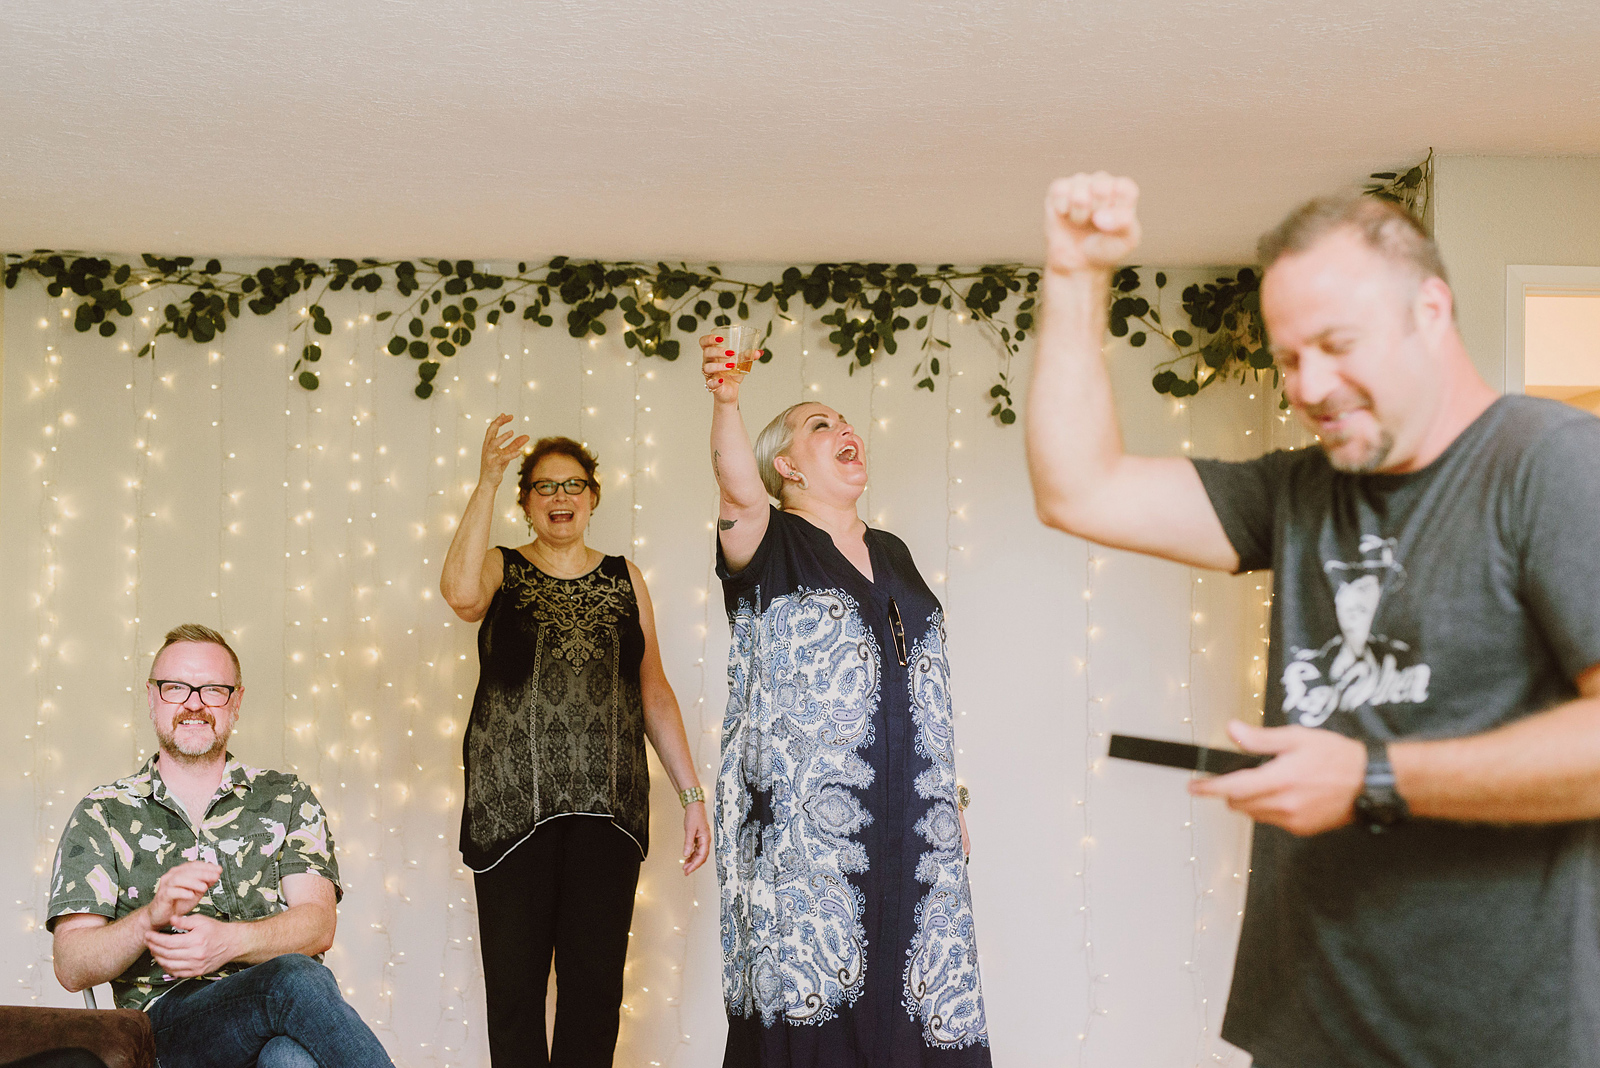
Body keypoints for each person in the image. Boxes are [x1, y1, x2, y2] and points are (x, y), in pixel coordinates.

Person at [1027, 172, 1600, 1067]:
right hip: (1308, 1031)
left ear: (1432, 310)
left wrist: (1373, 779)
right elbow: (1080, 489)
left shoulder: (1552, 464)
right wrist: (1072, 276)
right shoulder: (1301, 491)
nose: (1313, 384)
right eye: (1291, 358)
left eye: (1338, 344)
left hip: (1498, 1040)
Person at [701, 337, 989, 1067]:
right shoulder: (769, 544)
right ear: (787, 466)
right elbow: (736, 486)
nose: (842, 430)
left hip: (913, 821)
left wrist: (946, 795)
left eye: (843, 421)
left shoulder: (894, 551)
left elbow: (919, 682)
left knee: (916, 990)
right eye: (818, 426)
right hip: (810, 833)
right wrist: (727, 400)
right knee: (811, 987)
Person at [439, 421, 711, 1068]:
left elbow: (655, 691)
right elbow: (460, 594)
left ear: (593, 496)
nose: (560, 497)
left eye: (573, 485)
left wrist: (692, 796)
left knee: (593, 997)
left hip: (606, 813)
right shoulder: (502, 567)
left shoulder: (626, 579)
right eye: (543, 487)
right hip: (511, 810)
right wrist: (487, 477)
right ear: (526, 501)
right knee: (515, 998)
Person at [47, 623, 393, 1068]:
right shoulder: (103, 812)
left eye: (212, 689)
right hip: (168, 1032)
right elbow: (71, 966)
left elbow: (318, 924)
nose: (194, 704)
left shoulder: (286, 797)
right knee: (294, 979)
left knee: (289, 1059)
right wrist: (151, 918)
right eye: (176, 688)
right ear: (152, 698)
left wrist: (230, 942)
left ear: (236, 701)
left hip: (285, 1017)